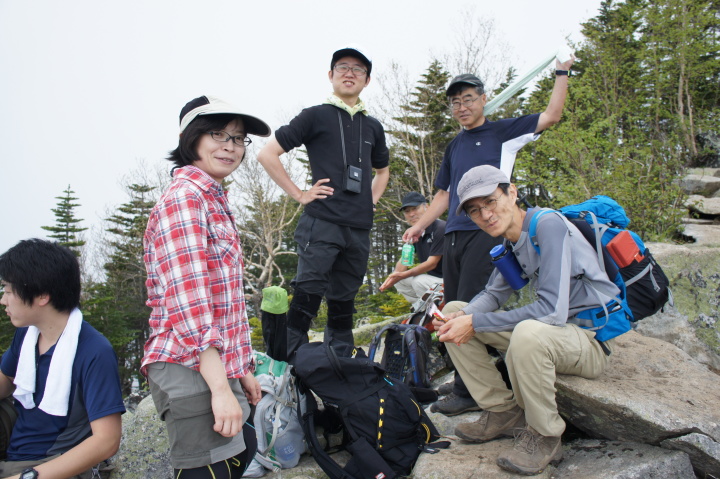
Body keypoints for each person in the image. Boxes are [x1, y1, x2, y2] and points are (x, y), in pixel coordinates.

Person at [404, 56, 575, 415]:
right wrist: (421, 225)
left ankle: (470, 394)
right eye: (455, 102)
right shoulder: (454, 146)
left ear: (484, 99)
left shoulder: (503, 133)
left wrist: (562, 71)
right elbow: (445, 195)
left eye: (468, 99)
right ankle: (469, 380)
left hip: (488, 230)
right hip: (453, 234)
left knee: (472, 303)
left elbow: (552, 116)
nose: (461, 107)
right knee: (453, 306)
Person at [434, 165, 625, 475]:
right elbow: (493, 295)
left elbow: (551, 310)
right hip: (555, 334)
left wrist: (476, 324)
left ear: (512, 193)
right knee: (459, 308)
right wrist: (461, 316)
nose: (485, 215)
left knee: (525, 332)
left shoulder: (547, 225)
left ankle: (546, 436)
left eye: (490, 201)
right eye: (474, 210)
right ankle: (503, 412)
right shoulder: (512, 241)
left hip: (588, 338)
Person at [141, 95, 266, 478]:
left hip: (214, 364)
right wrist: (219, 389)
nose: (230, 146)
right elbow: (190, 304)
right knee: (209, 471)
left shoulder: (211, 198)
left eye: (239, 138)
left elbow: (224, 300)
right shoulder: (184, 200)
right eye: (217, 134)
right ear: (189, 138)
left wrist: (241, 366)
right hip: (187, 364)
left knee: (242, 454)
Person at [257, 45, 390, 360]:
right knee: (307, 297)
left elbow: (382, 172)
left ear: (366, 80)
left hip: (358, 229)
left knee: (344, 303)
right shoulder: (315, 115)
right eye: (342, 67)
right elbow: (267, 153)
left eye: (358, 69)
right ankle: (286, 366)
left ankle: (340, 364)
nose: (349, 73)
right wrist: (300, 194)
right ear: (330, 75)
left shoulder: (373, 126)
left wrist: (370, 201)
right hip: (322, 223)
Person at [0, 239, 125, 479]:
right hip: (14, 455)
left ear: (42, 296)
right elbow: (6, 378)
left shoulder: (94, 351)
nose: (3, 300)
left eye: (8, 291)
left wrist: (29, 477)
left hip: (53, 465)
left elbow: (107, 440)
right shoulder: (27, 334)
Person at [380, 192, 444, 306]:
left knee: (418, 281)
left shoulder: (440, 227)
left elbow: (432, 263)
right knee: (399, 280)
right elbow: (402, 265)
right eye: (407, 211)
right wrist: (392, 278)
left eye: (415, 208)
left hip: (452, 282)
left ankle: (432, 311)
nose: (411, 214)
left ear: (427, 207)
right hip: (434, 282)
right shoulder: (416, 233)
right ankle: (419, 310)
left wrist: (405, 274)